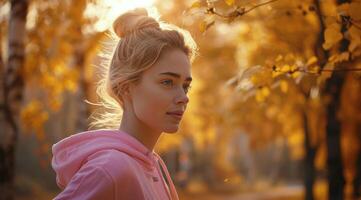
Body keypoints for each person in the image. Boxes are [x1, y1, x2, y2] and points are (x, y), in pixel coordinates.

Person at [51, 7, 198, 200]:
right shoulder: (110, 168)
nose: (183, 97)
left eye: (185, 86)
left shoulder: (152, 166)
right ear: (126, 88)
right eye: (167, 82)